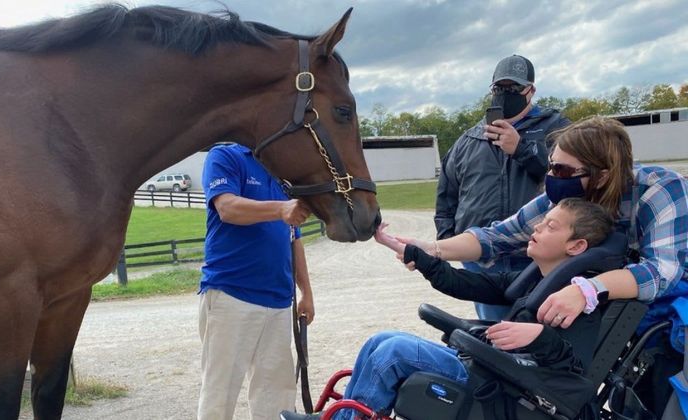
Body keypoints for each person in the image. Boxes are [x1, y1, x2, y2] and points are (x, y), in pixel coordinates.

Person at [410, 116, 688, 417]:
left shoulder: (659, 191)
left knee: (665, 390)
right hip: (625, 305)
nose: (552, 176)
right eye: (552, 166)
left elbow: (660, 274)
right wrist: (432, 250)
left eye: (563, 170)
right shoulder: (569, 199)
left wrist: (588, 290)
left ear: (603, 176)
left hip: (672, 305)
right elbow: (498, 236)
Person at [280, 198, 615, 420]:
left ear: (576, 246)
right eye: (541, 222)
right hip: (491, 367)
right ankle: (340, 417)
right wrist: (408, 249)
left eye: (551, 227)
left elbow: (574, 368)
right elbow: (461, 283)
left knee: (395, 352)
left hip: (509, 386)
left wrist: (540, 336)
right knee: (381, 339)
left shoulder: (576, 298)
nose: (537, 228)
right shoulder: (532, 282)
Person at [436, 54, 571, 322]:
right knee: (493, 332)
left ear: (530, 90)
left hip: (535, 255)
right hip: (482, 258)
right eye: (499, 88)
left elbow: (572, 178)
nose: (504, 94)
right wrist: (448, 238)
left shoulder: (557, 130)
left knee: (538, 328)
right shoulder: (470, 138)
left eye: (513, 88)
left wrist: (521, 150)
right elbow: (447, 194)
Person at [197, 143, 315, 420]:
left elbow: (294, 239)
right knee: (220, 392)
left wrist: (306, 292)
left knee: (277, 392)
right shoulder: (225, 156)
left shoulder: (281, 172)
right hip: (231, 294)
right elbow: (227, 208)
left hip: (278, 301)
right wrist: (281, 209)